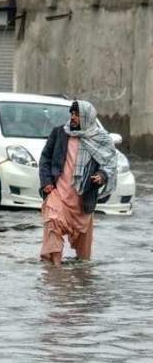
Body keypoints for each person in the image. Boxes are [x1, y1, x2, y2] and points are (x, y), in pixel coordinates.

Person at [38, 100, 117, 266]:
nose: (73, 117)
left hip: (83, 198)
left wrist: (101, 175)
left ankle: (81, 279)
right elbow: (45, 159)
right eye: (72, 114)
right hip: (58, 193)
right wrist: (46, 181)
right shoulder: (59, 133)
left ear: (87, 117)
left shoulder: (100, 139)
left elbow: (109, 163)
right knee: (53, 223)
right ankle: (55, 273)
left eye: (77, 115)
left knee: (84, 258)